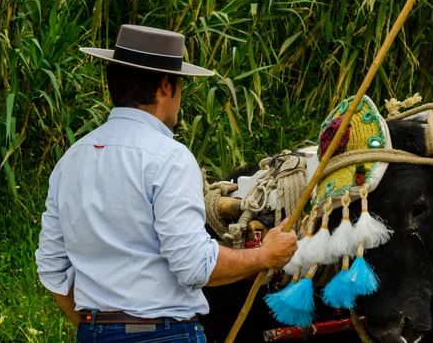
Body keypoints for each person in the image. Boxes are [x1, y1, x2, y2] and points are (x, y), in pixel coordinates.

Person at [35, 24, 298, 342]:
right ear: (165, 85)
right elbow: (194, 266)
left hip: (93, 333)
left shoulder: (70, 161)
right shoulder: (169, 157)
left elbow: (52, 267)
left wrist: (97, 328)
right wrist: (265, 257)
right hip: (164, 334)